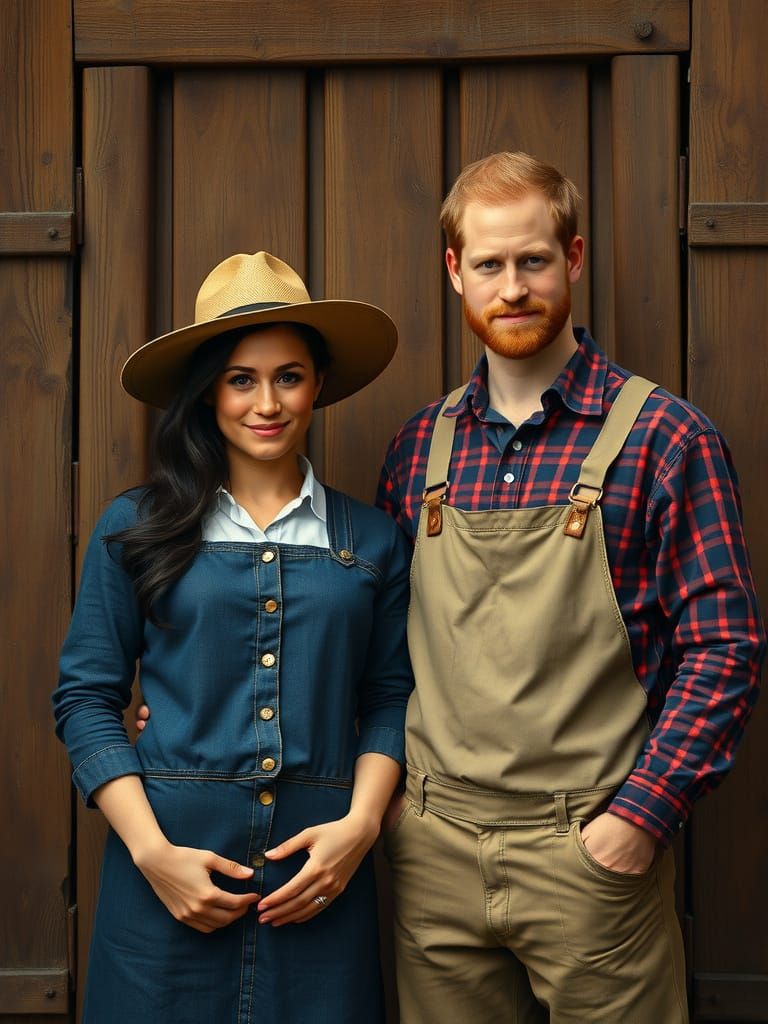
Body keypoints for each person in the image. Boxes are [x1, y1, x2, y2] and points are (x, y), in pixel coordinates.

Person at [376, 152, 766, 1023]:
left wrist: (639, 820)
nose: (512, 287)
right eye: (489, 264)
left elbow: (724, 647)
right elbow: (377, 646)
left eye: (534, 261)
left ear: (575, 259)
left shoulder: (667, 438)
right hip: (432, 854)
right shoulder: (417, 450)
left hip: (589, 855)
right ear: (455, 273)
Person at [53, 251, 414, 1024]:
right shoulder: (135, 528)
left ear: (317, 384)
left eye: (288, 375)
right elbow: (85, 697)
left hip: (319, 885)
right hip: (165, 880)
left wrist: (358, 828)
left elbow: (393, 696)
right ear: (208, 391)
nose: (267, 402)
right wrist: (153, 854)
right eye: (241, 378)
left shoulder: (376, 540)